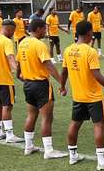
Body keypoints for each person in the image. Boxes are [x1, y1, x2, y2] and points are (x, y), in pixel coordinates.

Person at [60, 20, 104, 170]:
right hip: (93, 96)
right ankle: (102, 161)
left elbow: (64, 72)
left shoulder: (68, 50)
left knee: (75, 123)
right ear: (89, 33)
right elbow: (97, 75)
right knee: (99, 125)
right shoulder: (90, 51)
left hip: (78, 96)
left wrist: (62, 87)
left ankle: (72, 155)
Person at [16, 18, 67, 159]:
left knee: (31, 115)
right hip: (40, 85)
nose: (45, 31)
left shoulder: (22, 43)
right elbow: (49, 65)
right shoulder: (39, 45)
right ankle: (49, 150)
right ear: (38, 28)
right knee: (47, 118)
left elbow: (18, 62)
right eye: (44, 28)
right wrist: (62, 83)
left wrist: (18, 75)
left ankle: (28, 146)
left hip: (28, 84)